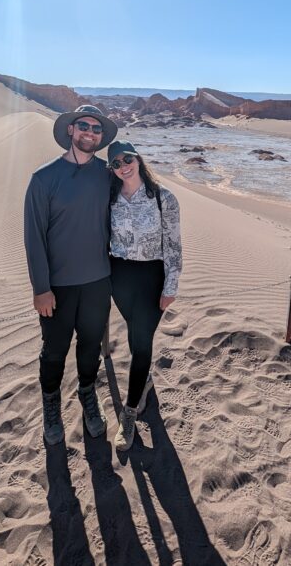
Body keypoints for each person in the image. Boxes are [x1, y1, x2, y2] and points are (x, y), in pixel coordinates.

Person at [24, 104, 118, 445]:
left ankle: (88, 395)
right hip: (58, 288)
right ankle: (51, 404)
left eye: (96, 129)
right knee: (54, 351)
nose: (90, 133)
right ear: (70, 130)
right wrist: (41, 288)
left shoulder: (107, 175)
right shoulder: (43, 178)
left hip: (98, 282)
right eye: (84, 126)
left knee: (91, 346)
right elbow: (33, 237)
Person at [106, 140, 183, 451]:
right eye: (116, 163)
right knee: (136, 337)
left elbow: (174, 246)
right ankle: (145, 382)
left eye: (128, 158)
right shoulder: (109, 198)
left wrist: (171, 286)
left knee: (142, 341)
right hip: (119, 277)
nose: (124, 165)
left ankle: (130, 413)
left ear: (138, 159)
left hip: (152, 277)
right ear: (111, 168)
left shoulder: (164, 198)